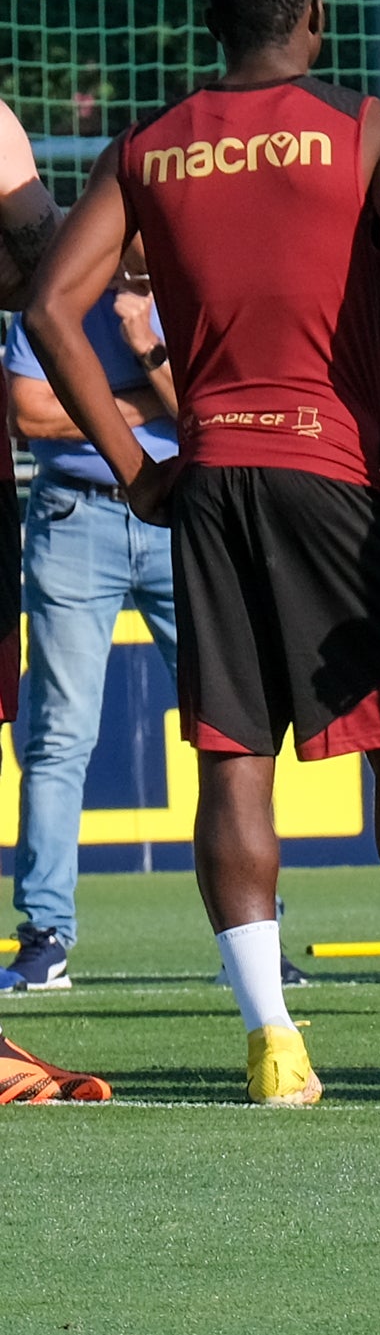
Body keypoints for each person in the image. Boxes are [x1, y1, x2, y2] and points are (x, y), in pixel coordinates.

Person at [26, 0, 380, 1106]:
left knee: (232, 754)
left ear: (211, 25)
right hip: (340, 474)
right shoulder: (364, 127)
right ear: (312, 16)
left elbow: (53, 307)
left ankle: (275, 1041)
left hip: (211, 476)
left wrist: (135, 462)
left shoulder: (147, 147)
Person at [4, 238, 177, 994]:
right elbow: (30, 417)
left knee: (232, 728)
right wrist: (153, 382)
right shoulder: (62, 282)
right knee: (57, 734)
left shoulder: (200, 277)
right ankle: (45, 934)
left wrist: (143, 348)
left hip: (183, 516)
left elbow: (224, 401)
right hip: (77, 514)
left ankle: (255, 932)